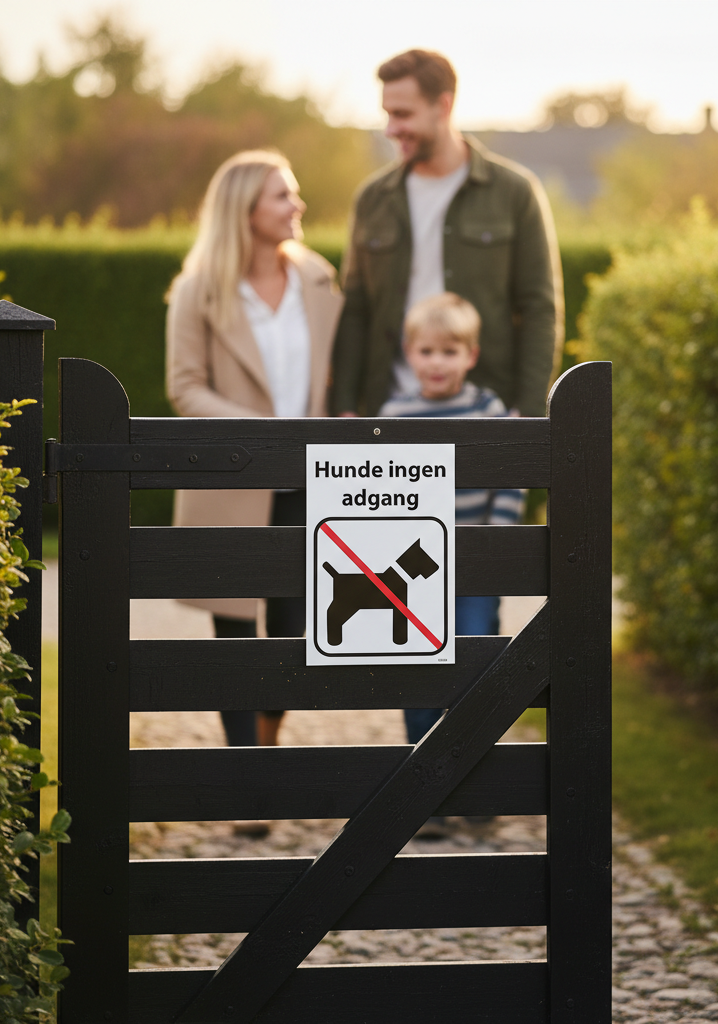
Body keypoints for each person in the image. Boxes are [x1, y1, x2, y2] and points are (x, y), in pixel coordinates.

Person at [165, 150, 343, 777]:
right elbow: (185, 387)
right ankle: (246, 768)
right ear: (245, 209)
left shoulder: (319, 278)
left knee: (296, 626)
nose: (296, 206)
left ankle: (267, 743)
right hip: (233, 477)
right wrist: (262, 433)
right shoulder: (198, 290)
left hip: (308, 477)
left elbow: (336, 376)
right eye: (281, 196)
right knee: (235, 630)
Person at [331, 48, 563, 420]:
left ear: (443, 105)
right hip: (387, 416)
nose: (391, 129)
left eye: (403, 114)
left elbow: (539, 308)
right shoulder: (371, 198)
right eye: (387, 115)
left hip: (487, 416)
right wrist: (343, 407)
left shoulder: (515, 192)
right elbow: (356, 308)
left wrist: (529, 413)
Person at [380, 292, 524, 782]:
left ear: (471, 355)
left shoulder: (488, 409)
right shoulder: (394, 414)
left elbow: (509, 480)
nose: (437, 363)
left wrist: (496, 540)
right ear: (408, 352)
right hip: (412, 570)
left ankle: (474, 774)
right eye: (426, 351)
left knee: (478, 661)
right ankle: (421, 776)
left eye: (450, 351)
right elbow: (379, 490)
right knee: (417, 665)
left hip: (475, 564)